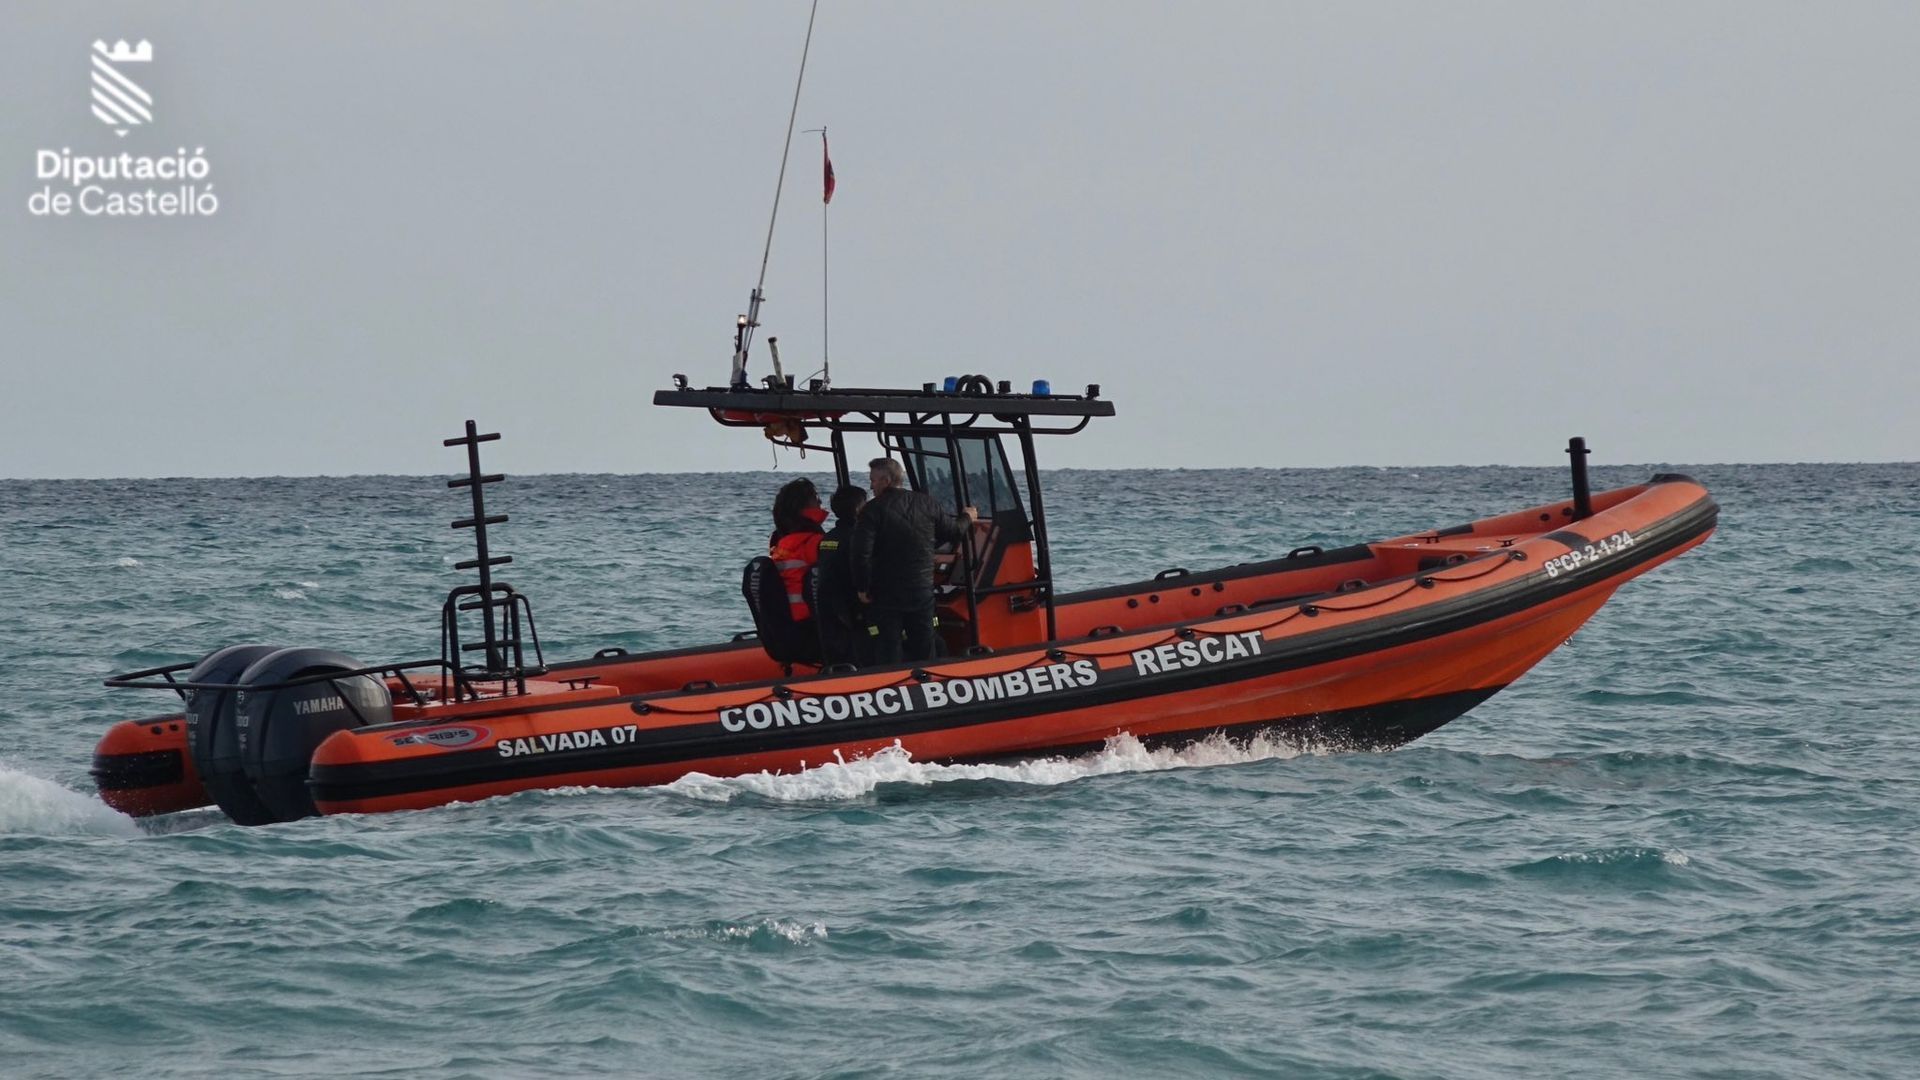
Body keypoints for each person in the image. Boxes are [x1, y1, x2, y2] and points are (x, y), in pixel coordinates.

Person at [852, 457, 977, 664]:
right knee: (924, 644)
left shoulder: (872, 510)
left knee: (888, 646)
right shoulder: (927, 503)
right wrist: (967, 517)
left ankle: (891, 688)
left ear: (887, 480)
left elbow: (860, 553)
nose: (871, 485)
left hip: (886, 593)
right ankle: (928, 686)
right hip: (921, 590)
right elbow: (953, 531)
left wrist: (862, 587)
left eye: (873, 480)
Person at [812, 485, 868, 666]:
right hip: (854, 613)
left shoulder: (827, 539)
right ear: (858, 508)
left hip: (831, 612)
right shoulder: (859, 538)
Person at [768, 478, 828, 623]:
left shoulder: (780, 544)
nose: (820, 503)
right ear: (802, 506)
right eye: (816, 498)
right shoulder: (814, 542)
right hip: (812, 620)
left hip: (787, 621)